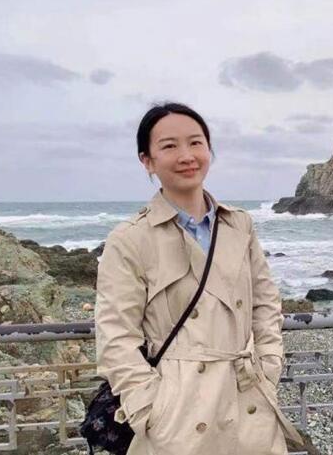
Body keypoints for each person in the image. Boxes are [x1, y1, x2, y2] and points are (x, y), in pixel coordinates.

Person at [94, 102, 297, 455]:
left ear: (209, 149)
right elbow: (115, 336)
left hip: (247, 399)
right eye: (169, 146)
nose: (186, 156)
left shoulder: (238, 224)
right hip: (178, 418)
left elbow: (266, 303)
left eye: (195, 142)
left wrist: (268, 367)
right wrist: (150, 409)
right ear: (147, 161)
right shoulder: (130, 239)